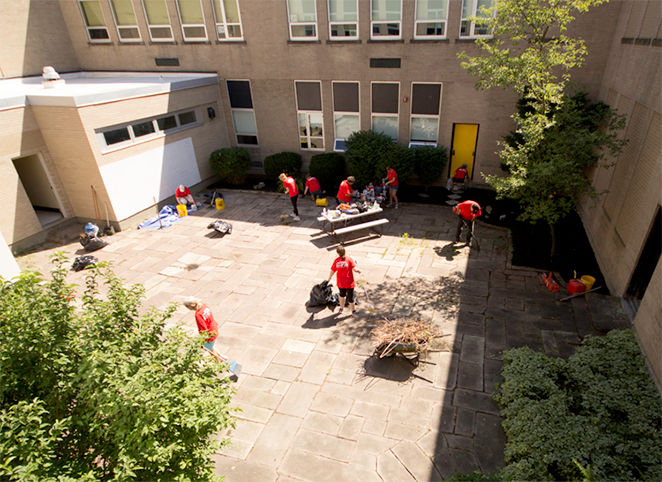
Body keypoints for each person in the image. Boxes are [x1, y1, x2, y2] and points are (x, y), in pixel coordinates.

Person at [183, 298, 225, 362]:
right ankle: (221, 356)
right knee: (211, 345)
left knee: (209, 349)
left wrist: (203, 339)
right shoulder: (203, 306)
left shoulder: (198, 315)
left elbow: (203, 328)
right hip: (214, 328)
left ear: (190, 306)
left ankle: (218, 362)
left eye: (186, 306)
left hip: (209, 333)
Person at [327, 246, 361, 315]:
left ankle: (341, 308)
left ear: (338, 253)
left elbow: (332, 271)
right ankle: (353, 311)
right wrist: (358, 270)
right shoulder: (349, 259)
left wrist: (329, 278)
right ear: (345, 252)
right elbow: (355, 269)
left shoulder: (336, 261)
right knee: (350, 297)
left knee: (342, 296)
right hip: (349, 282)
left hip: (341, 283)